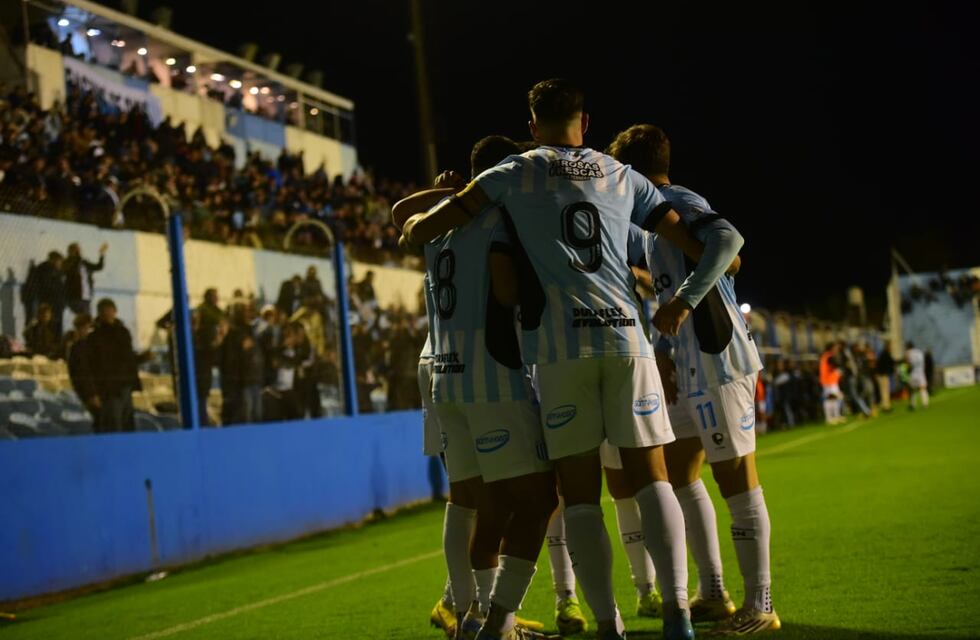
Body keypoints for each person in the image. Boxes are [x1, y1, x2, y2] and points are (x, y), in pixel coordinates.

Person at [401, 79, 724, 640]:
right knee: (653, 480)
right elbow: (702, 244)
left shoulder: (512, 173)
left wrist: (438, 207)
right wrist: (684, 297)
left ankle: (607, 624)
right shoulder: (624, 175)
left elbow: (421, 231)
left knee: (578, 498)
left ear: (531, 126)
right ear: (586, 121)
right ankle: (677, 614)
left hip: (557, 351)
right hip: (627, 341)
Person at [608, 123, 779, 635]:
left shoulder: (675, 199)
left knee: (736, 478)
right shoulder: (653, 222)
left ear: (634, 172)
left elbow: (730, 239)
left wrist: (684, 301)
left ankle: (761, 604)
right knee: (680, 471)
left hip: (718, 359)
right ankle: (714, 591)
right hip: (685, 368)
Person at [394, 137, 557, 640]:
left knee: (469, 499)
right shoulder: (496, 220)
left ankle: (470, 614)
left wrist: (448, 194)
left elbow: (402, 215)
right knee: (534, 500)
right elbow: (507, 291)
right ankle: (492, 619)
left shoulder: (436, 228)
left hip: (445, 374)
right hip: (490, 376)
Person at [83, 298, 141, 432]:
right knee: (113, 424)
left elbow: (128, 358)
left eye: (110, 310)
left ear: (115, 312)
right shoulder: (95, 337)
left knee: (127, 423)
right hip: (109, 388)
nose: (108, 314)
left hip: (125, 385)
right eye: (104, 311)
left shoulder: (123, 332)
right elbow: (91, 366)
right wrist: (93, 392)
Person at [63, 242, 107, 316]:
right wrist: (75, 258)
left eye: (78, 249)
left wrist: (102, 254)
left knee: (87, 319)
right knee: (83, 318)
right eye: (76, 250)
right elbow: (68, 271)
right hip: (74, 297)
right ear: (70, 251)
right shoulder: (67, 262)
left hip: (86, 296)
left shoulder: (83, 262)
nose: (78, 251)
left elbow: (98, 267)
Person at [31, 251, 67, 337]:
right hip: (52, 303)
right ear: (54, 260)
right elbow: (49, 287)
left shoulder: (51, 270)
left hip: (54, 303)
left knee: (53, 325)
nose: (60, 264)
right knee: (53, 325)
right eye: (59, 262)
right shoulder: (48, 271)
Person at [819, 343, 845, 424]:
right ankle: (829, 418)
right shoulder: (829, 356)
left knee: (836, 398)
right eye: (835, 347)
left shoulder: (826, 356)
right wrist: (839, 371)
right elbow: (834, 366)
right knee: (830, 399)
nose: (837, 349)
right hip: (828, 381)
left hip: (832, 380)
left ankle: (836, 415)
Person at [905, 341, 930, 410]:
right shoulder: (919, 352)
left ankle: (913, 405)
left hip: (913, 373)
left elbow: (908, 364)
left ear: (908, 347)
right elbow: (923, 362)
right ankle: (925, 403)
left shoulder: (908, 353)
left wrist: (907, 371)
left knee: (913, 389)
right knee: (923, 388)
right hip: (921, 372)